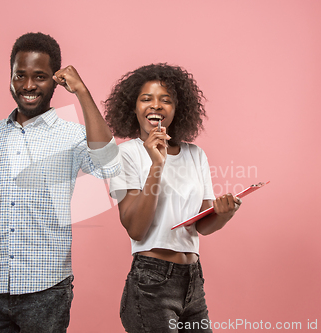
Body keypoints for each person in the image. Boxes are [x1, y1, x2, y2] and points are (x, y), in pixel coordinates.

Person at [0, 32, 120, 333]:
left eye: (40, 76)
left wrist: (82, 92)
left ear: (55, 81)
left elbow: (108, 164)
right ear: (10, 76)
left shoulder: (71, 135)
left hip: (46, 290)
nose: (28, 85)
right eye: (20, 75)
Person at [105, 63, 241, 332]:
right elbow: (136, 229)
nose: (155, 106)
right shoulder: (126, 154)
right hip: (151, 282)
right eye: (146, 99)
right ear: (133, 108)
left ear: (177, 110)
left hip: (192, 281)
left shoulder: (195, 154)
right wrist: (157, 165)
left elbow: (201, 225)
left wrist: (224, 214)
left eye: (165, 100)